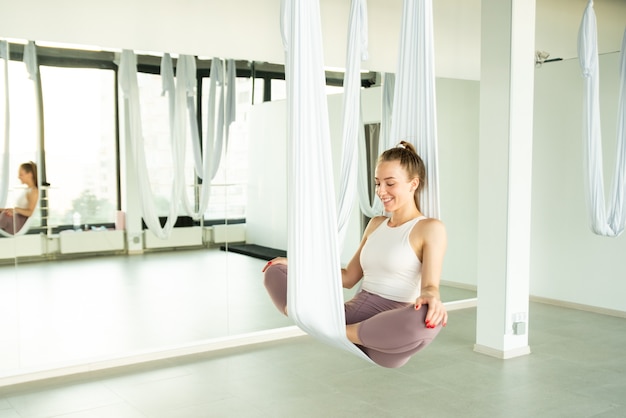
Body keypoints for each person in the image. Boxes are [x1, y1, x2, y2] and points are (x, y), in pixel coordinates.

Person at [263, 141, 448, 368]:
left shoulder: (429, 228)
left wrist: (431, 296)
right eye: (378, 183)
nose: (381, 191)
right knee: (274, 272)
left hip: (388, 331)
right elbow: (349, 277)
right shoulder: (375, 224)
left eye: (390, 183)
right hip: (353, 316)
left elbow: (430, 286)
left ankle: (330, 328)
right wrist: (296, 266)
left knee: (430, 317)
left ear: (413, 184)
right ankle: (337, 328)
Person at [0, 161, 39, 234]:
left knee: (3, 216)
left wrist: (15, 210)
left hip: (17, 225)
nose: (18, 177)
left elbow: (30, 212)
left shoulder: (34, 191)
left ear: (29, 175)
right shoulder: (27, 190)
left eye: (21, 174)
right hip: (14, 220)